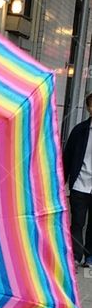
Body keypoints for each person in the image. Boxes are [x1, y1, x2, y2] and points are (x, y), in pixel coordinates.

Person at [63, 91, 92, 267]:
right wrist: (62, 182)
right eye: (91, 104)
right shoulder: (79, 131)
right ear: (88, 108)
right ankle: (75, 256)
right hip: (79, 184)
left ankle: (89, 257)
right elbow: (67, 157)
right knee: (77, 223)